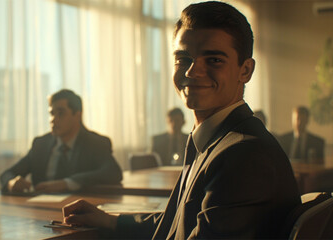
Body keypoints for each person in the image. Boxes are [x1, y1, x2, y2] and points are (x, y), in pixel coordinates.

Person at [62, 2, 301, 239]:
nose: (191, 71)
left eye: (213, 60)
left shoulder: (244, 155)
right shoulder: (220, 139)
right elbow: (180, 222)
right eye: (183, 58)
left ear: (245, 71)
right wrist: (109, 220)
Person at [0, 89, 123, 194]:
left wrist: (66, 183)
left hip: (78, 212)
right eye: (51, 114)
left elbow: (113, 172)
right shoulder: (40, 144)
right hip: (41, 211)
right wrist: (12, 183)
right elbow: (7, 173)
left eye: (60, 113)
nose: (53, 119)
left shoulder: (96, 142)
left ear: (78, 115)